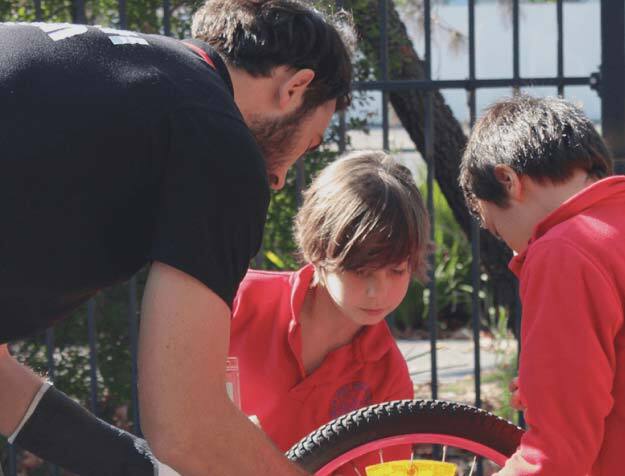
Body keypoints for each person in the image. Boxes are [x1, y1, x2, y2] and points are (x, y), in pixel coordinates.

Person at [0, 1, 354, 475]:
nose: (280, 181)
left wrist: (137, 467)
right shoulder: (217, 138)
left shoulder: (120, 79)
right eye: (309, 144)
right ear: (295, 88)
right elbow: (188, 429)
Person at [229, 150, 429, 472]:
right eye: (361, 271)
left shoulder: (388, 376)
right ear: (319, 250)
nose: (378, 292)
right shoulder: (237, 304)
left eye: (397, 270)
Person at [459, 95, 625, 475]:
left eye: (497, 228)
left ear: (508, 180)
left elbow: (557, 454)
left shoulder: (564, 251)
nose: (514, 251)